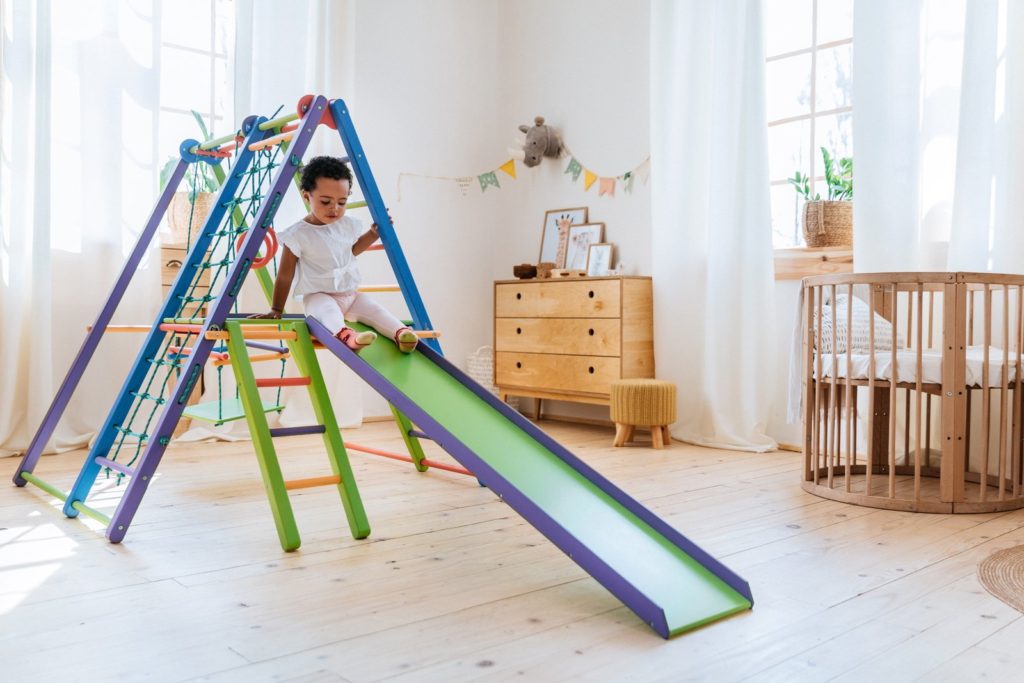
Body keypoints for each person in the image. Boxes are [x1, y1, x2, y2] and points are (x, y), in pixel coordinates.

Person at [251, 156, 418, 354]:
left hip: (350, 295)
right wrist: (276, 309)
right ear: (307, 196)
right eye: (326, 201)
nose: (335, 208)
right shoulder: (297, 235)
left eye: (342, 202)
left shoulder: (346, 225)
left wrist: (373, 234)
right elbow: (285, 275)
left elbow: (352, 250)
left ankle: (401, 334)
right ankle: (347, 335)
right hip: (318, 296)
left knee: (376, 311)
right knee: (329, 312)